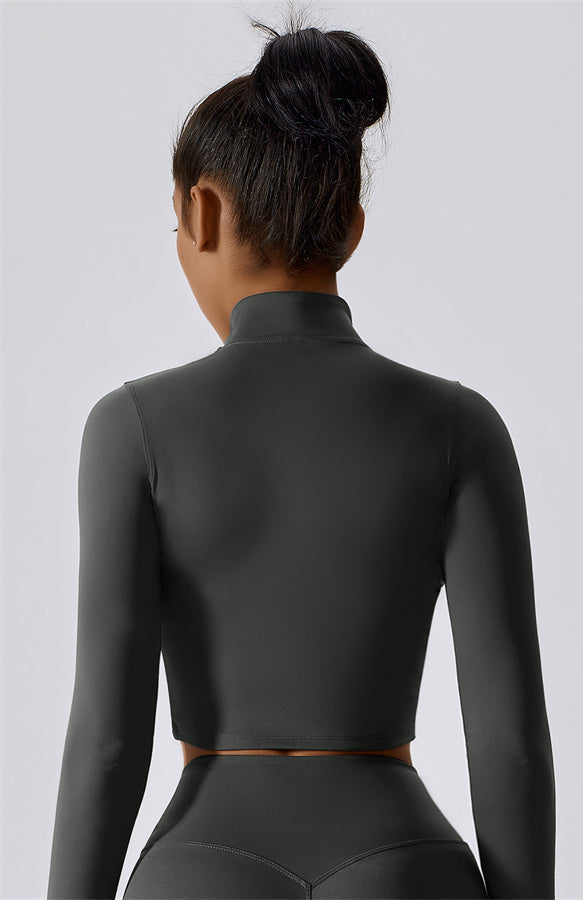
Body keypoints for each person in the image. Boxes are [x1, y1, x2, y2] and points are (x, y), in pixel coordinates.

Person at [46, 14, 556, 900]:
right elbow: (509, 742)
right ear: (350, 229)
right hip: (405, 861)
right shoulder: (461, 427)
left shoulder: (131, 428)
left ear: (200, 212)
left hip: (201, 864)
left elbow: (110, 743)